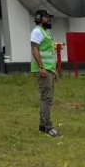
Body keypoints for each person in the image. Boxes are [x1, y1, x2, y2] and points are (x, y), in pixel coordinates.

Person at [31, 9, 61, 137]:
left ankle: (43, 126)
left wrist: (53, 70)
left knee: (47, 98)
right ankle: (48, 127)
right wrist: (42, 67)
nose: (49, 19)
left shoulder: (44, 32)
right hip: (43, 70)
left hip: (49, 70)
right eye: (47, 17)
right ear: (40, 18)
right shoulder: (37, 31)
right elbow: (34, 49)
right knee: (46, 99)